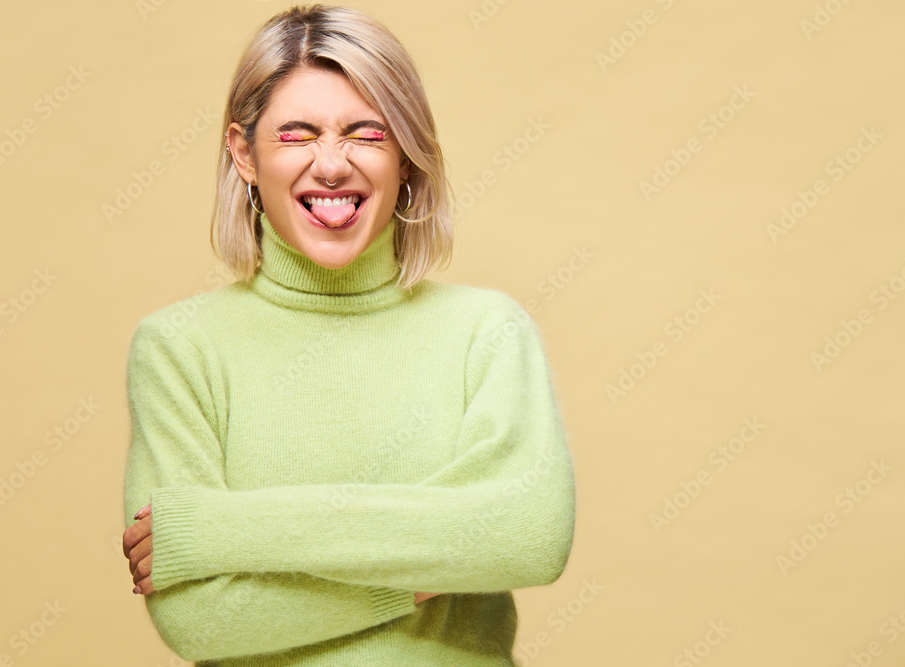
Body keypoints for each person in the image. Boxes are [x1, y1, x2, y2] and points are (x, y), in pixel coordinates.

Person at [121, 3, 576, 665]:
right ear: (244, 154)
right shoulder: (179, 348)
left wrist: (219, 529)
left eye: (366, 133)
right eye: (296, 135)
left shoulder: (489, 332)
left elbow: (529, 535)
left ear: (407, 156)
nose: (331, 165)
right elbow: (199, 622)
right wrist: (432, 569)